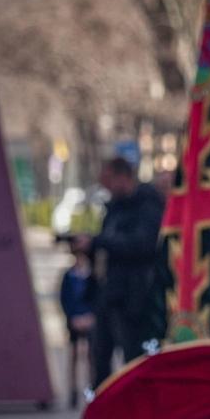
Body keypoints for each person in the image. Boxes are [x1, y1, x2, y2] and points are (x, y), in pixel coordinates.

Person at [74, 156, 164, 386]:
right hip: (109, 294)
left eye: (108, 180)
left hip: (135, 296)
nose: (106, 187)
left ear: (123, 177)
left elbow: (142, 245)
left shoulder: (147, 204)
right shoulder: (115, 207)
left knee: (133, 357)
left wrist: (98, 242)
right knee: (100, 356)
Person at [59, 238, 95, 408]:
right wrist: (72, 317)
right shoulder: (68, 276)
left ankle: (91, 389)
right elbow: (64, 299)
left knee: (90, 357)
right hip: (74, 320)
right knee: (73, 356)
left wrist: (90, 317)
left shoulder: (92, 275)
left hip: (90, 320)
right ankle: (73, 391)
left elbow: (96, 300)